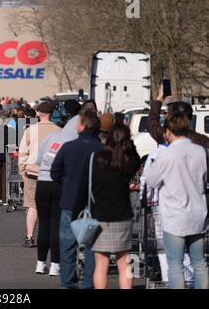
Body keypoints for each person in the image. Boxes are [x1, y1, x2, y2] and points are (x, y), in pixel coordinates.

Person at [73, 124, 141, 289]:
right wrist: (129, 146)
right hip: (123, 217)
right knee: (125, 263)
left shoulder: (95, 159)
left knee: (101, 265)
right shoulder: (126, 161)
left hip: (99, 217)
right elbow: (137, 160)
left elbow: (82, 189)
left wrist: (75, 213)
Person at [146, 113, 208, 289]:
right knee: (200, 262)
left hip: (174, 216)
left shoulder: (167, 154)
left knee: (175, 264)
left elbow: (151, 181)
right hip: (197, 214)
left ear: (168, 131)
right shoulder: (201, 151)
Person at [51, 109, 102, 289]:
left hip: (69, 202)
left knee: (67, 246)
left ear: (81, 126)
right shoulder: (102, 149)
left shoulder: (69, 147)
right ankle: (88, 283)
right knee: (91, 247)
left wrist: (66, 183)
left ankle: (68, 283)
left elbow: (54, 172)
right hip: (94, 204)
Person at [34, 104, 80, 275]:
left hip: (42, 183)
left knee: (43, 224)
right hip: (60, 183)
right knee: (56, 225)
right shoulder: (72, 143)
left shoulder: (51, 137)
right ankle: (55, 264)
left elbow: (38, 159)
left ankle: (40, 263)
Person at [19, 101, 61, 248]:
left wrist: (22, 170)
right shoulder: (58, 130)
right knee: (52, 206)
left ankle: (30, 237)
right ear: (51, 114)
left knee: (32, 206)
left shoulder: (31, 130)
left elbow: (23, 152)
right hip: (52, 173)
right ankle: (50, 236)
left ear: (38, 113)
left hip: (33, 171)